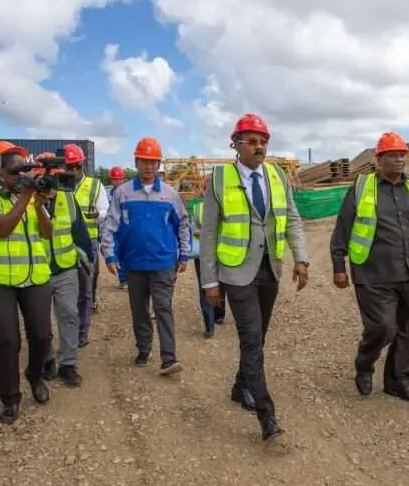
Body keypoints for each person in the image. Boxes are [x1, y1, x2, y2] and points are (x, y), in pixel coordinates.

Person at [200, 113, 309, 445]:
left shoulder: (277, 176)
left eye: (263, 141)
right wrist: (210, 281)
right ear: (236, 144)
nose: (259, 146)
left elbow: (291, 218)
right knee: (250, 338)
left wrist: (301, 257)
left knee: (257, 336)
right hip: (235, 272)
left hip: (269, 269)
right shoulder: (219, 179)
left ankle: (239, 387)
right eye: (251, 140)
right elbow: (208, 233)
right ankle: (267, 414)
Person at [331, 132, 409, 405]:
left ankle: (398, 381)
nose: (399, 159)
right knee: (383, 328)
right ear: (379, 159)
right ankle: (364, 364)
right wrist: (338, 265)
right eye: (393, 155)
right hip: (372, 272)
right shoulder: (362, 187)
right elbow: (343, 227)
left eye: (402, 155)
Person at [0, 141, 53, 423]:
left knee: (42, 335)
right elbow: (1, 229)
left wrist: (38, 204)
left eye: (24, 169)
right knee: (8, 340)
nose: (21, 175)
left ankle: (35, 376)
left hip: (34, 277)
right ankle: (10, 398)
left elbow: (47, 234)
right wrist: (24, 197)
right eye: (14, 170)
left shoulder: (29, 196)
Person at [102, 137, 190, 373]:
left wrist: (184, 253)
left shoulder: (170, 195)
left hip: (163, 262)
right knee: (139, 310)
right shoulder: (123, 193)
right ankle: (143, 349)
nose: (149, 166)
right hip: (134, 263)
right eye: (144, 161)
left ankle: (169, 358)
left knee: (163, 308)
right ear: (136, 162)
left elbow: (182, 224)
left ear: (159, 164)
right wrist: (109, 255)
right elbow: (110, 224)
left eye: (153, 162)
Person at [34, 153, 94, 387]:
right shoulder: (27, 199)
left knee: (69, 314)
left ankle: (68, 364)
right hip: (38, 270)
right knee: (41, 322)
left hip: (66, 268)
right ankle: (47, 359)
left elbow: (80, 231)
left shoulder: (68, 198)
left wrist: (87, 259)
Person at [64, 144, 108, 347]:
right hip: (61, 241)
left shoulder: (95, 185)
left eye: (76, 166)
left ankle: (82, 331)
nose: (73, 171)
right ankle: (68, 330)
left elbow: (104, 210)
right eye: (69, 166)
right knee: (63, 291)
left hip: (87, 242)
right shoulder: (59, 185)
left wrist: (97, 215)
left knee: (85, 290)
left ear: (82, 165)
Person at [190, 176, 226, 338]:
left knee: (205, 286)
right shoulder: (227, 206)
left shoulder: (198, 209)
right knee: (221, 284)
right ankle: (218, 316)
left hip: (204, 254)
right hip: (223, 252)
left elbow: (193, 232)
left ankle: (210, 325)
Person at [107, 166, 127, 289]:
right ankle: (123, 279)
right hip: (114, 229)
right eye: (115, 179)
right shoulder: (108, 195)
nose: (117, 182)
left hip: (125, 228)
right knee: (117, 254)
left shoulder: (128, 194)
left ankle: (128, 278)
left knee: (126, 253)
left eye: (120, 179)